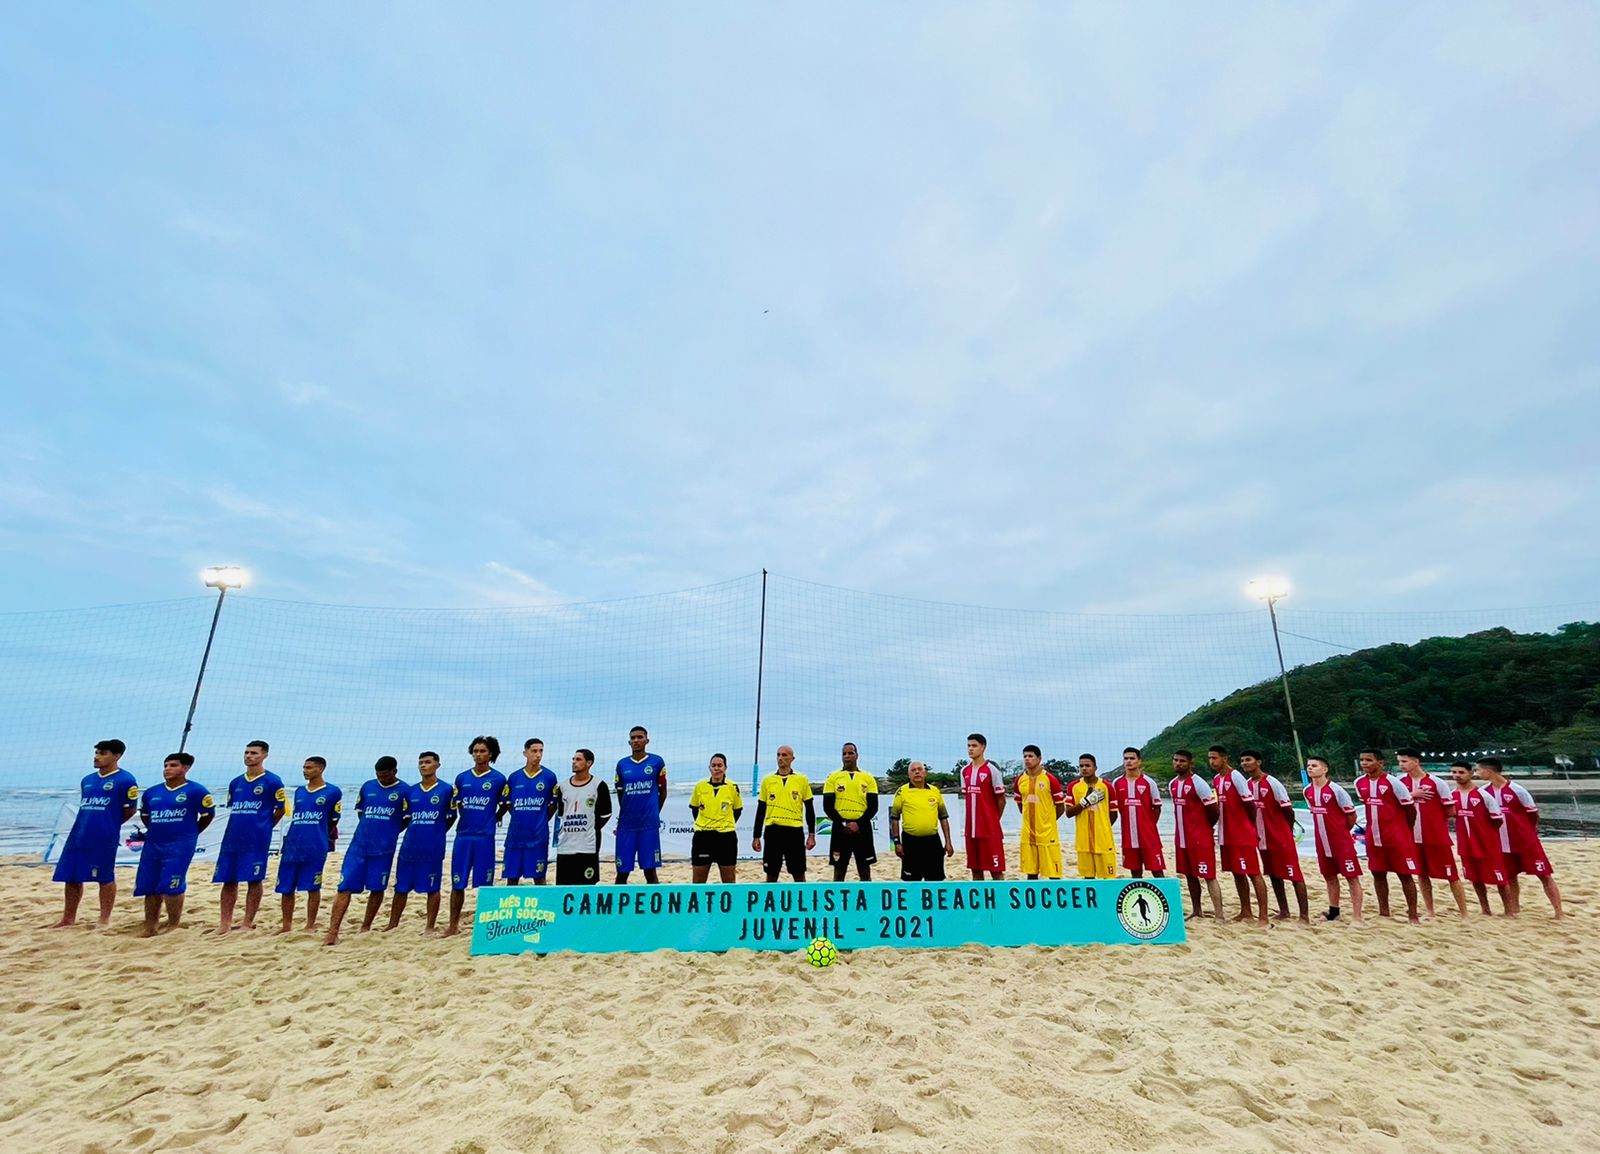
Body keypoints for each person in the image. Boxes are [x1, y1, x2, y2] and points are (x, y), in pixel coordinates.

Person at [50, 739, 138, 930]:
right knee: (71, 876)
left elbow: (130, 810)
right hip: (79, 834)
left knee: (104, 876)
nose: (97, 756)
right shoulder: (88, 780)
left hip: (104, 836)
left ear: (117, 756)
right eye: (96, 752)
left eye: (103, 753)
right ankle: (68, 918)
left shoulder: (125, 780)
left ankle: (104, 919)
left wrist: (109, 824)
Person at [324, 756, 409, 946]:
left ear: (395, 772)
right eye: (378, 776)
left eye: (385, 776)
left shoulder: (405, 791)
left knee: (376, 889)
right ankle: (333, 931)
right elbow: (361, 811)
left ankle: (366, 926)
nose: (381, 779)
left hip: (383, 850)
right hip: (358, 848)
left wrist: (390, 831)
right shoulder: (368, 787)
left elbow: (407, 818)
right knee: (344, 887)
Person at [133, 753, 214, 937]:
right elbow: (146, 817)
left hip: (180, 845)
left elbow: (208, 815)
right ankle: (151, 925)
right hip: (154, 844)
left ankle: (173, 924)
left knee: (172, 884)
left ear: (185, 768)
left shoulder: (196, 791)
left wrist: (191, 833)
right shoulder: (152, 793)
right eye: (166, 765)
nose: (167, 769)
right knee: (150, 886)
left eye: (173, 765)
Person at [212, 740, 286, 933]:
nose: (249, 756)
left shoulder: (272, 781)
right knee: (228, 880)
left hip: (256, 839)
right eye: (246, 752)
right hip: (232, 838)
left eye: (254, 753)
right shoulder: (236, 782)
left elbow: (280, 810)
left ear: (264, 755)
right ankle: (224, 923)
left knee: (254, 879)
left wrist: (265, 827)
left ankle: (247, 922)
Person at [1476, 757, 1564, 919]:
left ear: (1489, 770)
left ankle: (1559, 912)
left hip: (1525, 842)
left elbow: (1533, 814)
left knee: (1544, 875)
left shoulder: (1517, 789)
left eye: (1479, 770)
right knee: (1510, 876)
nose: (1477, 773)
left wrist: (1526, 833)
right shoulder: (1483, 792)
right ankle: (1514, 910)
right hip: (1501, 843)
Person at [386, 751, 456, 933]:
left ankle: (430, 926)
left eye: (427, 762)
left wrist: (436, 832)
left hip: (432, 847)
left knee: (433, 888)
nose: (423, 766)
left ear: (437, 765)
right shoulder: (411, 791)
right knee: (400, 887)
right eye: (421, 763)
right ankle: (393, 924)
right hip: (409, 846)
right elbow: (406, 819)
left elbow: (450, 818)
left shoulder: (446, 790)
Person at [446, 736, 508, 936]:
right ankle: (453, 925)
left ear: (490, 754)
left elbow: (506, 803)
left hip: (485, 837)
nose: (478, 754)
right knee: (458, 883)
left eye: (482, 751)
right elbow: (458, 805)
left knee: (485, 885)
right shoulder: (462, 778)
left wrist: (495, 817)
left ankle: (484, 926)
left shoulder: (498, 779)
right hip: (463, 836)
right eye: (475, 751)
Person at [1398, 748, 1467, 918]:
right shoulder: (1399, 782)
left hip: (1435, 836)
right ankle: (1430, 910)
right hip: (1412, 836)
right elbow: (1394, 805)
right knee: (1421, 874)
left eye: (1405, 761)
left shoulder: (1437, 782)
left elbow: (1451, 810)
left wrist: (1434, 819)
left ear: (1416, 761)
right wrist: (1411, 795)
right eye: (1399, 761)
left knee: (1451, 874)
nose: (1401, 765)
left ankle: (1464, 912)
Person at [275, 757, 342, 933]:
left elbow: (333, 821)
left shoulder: (333, 792)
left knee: (313, 886)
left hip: (315, 846)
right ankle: (286, 925)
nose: (304, 770)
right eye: (304, 767)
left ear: (320, 769)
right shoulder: (299, 791)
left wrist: (323, 838)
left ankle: (310, 925)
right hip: (293, 844)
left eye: (309, 768)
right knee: (286, 887)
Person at [1240, 750, 1307, 923]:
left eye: (1248, 760)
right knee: (1274, 875)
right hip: (1261, 839)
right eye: (1242, 761)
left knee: (1294, 876)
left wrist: (1285, 830)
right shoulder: (1246, 784)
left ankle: (1304, 916)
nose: (1245, 763)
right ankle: (1284, 911)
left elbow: (1287, 810)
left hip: (1280, 838)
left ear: (1259, 762)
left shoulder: (1272, 782)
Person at [1355, 749, 1421, 923]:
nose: (1364, 763)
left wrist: (1406, 830)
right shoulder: (1359, 783)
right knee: (1377, 873)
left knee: (1405, 875)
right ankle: (1384, 911)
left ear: (1381, 763)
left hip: (1396, 837)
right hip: (1373, 837)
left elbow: (1410, 809)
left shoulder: (1394, 783)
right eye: (1362, 760)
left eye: (1369, 760)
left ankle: (1413, 914)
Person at [1210, 746, 1268, 925]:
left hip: (1241, 834)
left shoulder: (1235, 776)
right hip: (1226, 834)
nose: (1212, 762)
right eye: (1210, 758)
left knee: (1253, 872)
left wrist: (1248, 826)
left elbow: (1250, 804)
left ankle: (1263, 916)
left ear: (1224, 758)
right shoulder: (1217, 779)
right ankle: (1246, 911)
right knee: (1237, 873)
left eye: (1215, 758)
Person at [1303, 756, 1364, 923]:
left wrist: (1342, 832)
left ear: (1324, 769)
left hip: (1340, 841)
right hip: (1322, 842)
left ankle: (1357, 916)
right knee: (1329, 876)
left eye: (1314, 766)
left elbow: (1351, 815)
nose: (1310, 768)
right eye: (1308, 766)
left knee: (1352, 877)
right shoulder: (1307, 791)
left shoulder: (1336, 790)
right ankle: (1334, 912)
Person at [1449, 761, 1514, 917]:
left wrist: (1487, 835)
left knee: (1500, 879)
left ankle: (1509, 911)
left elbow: (1497, 819)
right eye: (1454, 772)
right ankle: (1485, 909)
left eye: (1461, 772)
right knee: (1475, 878)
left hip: (1487, 844)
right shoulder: (1453, 795)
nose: (1457, 776)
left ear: (1471, 773)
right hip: (1466, 845)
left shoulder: (1484, 795)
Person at [1167, 749, 1224, 920]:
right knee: (1190, 875)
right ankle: (1196, 910)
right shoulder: (1173, 784)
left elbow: (1213, 809)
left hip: (1199, 839)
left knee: (1209, 876)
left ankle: (1219, 915)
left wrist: (1205, 828)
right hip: (1182, 839)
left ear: (1190, 763)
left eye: (1182, 761)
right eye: (1176, 760)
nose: (1178, 763)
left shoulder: (1198, 783)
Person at [752, 745, 816, 882]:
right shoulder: (768, 780)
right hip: (773, 831)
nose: (780, 758)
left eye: (784, 755)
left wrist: (811, 834)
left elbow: (809, 808)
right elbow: (761, 810)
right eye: (778, 755)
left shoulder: (801, 780)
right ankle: (771, 902)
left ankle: (801, 901)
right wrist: (756, 836)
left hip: (794, 831)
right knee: (771, 873)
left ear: (792, 758)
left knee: (798, 873)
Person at [614, 726, 668, 885]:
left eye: (639, 737)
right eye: (633, 738)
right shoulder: (622, 764)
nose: (636, 740)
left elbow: (663, 792)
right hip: (626, 825)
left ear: (647, 740)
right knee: (622, 873)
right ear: (629, 742)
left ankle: (656, 909)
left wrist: (653, 812)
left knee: (650, 872)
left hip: (648, 825)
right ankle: (618, 909)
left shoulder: (657, 762)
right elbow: (620, 793)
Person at [502, 739, 560, 885]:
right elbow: (509, 805)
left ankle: (542, 907)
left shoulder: (549, 777)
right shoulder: (514, 777)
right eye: (534, 751)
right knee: (512, 878)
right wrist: (519, 818)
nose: (538, 755)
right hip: (515, 837)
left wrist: (539, 820)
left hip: (538, 837)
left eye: (541, 751)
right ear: (525, 753)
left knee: (539, 878)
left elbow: (553, 805)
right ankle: (512, 907)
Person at [890, 761, 954, 881]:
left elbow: (943, 818)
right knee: (912, 881)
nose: (917, 772)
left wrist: (948, 842)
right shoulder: (902, 791)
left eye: (919, 769)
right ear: (909, 775)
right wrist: (897, 842)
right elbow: (894, 818)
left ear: (925, 773)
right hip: (911, 841)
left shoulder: (934, 791)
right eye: (913, 770)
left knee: (936, 880)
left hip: (932, 841)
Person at [823, 742, 879, 881]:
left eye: (850, 753)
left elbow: (873, 807)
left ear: (857, 755)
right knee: (839, 869)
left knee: (865, 869)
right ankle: (837, 900)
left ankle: (867, 899)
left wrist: (858, 823)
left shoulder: (868, 778)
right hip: (840, 829)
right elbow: (828, 807)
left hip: (862, 828)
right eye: (844, 753)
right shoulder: (833, 778)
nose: (847, 756)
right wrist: (844, 823)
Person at [554, 749, 611, 884]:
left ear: (589, 763)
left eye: (578, 759)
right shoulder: (562, 786)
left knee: (587, 887)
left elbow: (606, 814)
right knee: (563, 887)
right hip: (566, 845)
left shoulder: (598, 785)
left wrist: (590, 828)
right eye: (573, 759)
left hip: (587, 846)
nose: (574, 762)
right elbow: (562, 814)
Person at [1111, 747, 1165, 879]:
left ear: (1139, 761)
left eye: (1132, 758)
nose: (1129, 761)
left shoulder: (1149, 782)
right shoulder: (1117, 783)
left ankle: (1164, 897)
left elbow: (1157, 807)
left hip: (1149, 837)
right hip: (1128, 837)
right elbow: (1112, 809)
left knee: (1157, 871)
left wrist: (1149, 826)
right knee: (1135, 873)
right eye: (1126, 758)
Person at [1014, 744, 1066, 880]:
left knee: (1053, 873)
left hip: (1047, 833)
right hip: (1028, 833)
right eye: (1025, 756)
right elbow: (1020, 804)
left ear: (1039, 759)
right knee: (1031, 872)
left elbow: (1061, 807)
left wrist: (1048, 820)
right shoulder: (1020, 780)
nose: (1027, 759)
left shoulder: (1050, 779)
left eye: (1030, 756)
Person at [688, 753, 742, 884]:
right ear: (709, 768)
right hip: (703, 837)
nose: (716, 768)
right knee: (698, 882)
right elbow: (695, 809)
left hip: (726, 838)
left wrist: (723, 824)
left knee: (729, 882)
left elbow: (737, 811)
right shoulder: (700, 786)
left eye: (719, 765)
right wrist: (706, 823)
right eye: (713, 765)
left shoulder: (733, 787)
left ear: (725, 768)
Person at [960, 734, 1007, 879]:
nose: (970, 749)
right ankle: (980, 901)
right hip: (971, 830)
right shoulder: (964, 771)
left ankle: (1001, 900)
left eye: (974, 746)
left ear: (983, 747)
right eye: (969, 746)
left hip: (989, 829)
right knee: (976, 869)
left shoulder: (992, 770)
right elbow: (967, 797)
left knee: (996, 870)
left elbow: (1001, 800)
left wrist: (993, 819)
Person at [1064, 754, 1117, 880]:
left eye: (1087, 765)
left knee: (1108, 879)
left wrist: (1104, 828)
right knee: (1088, 878)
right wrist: (1085, 802)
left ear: (1095, 767)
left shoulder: (1106, 786)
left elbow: (1113, 813)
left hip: (1104, 841)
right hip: (1083, 841)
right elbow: (1068, 813)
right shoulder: (1074, 786)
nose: (1084, 768)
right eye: (1081, 766)